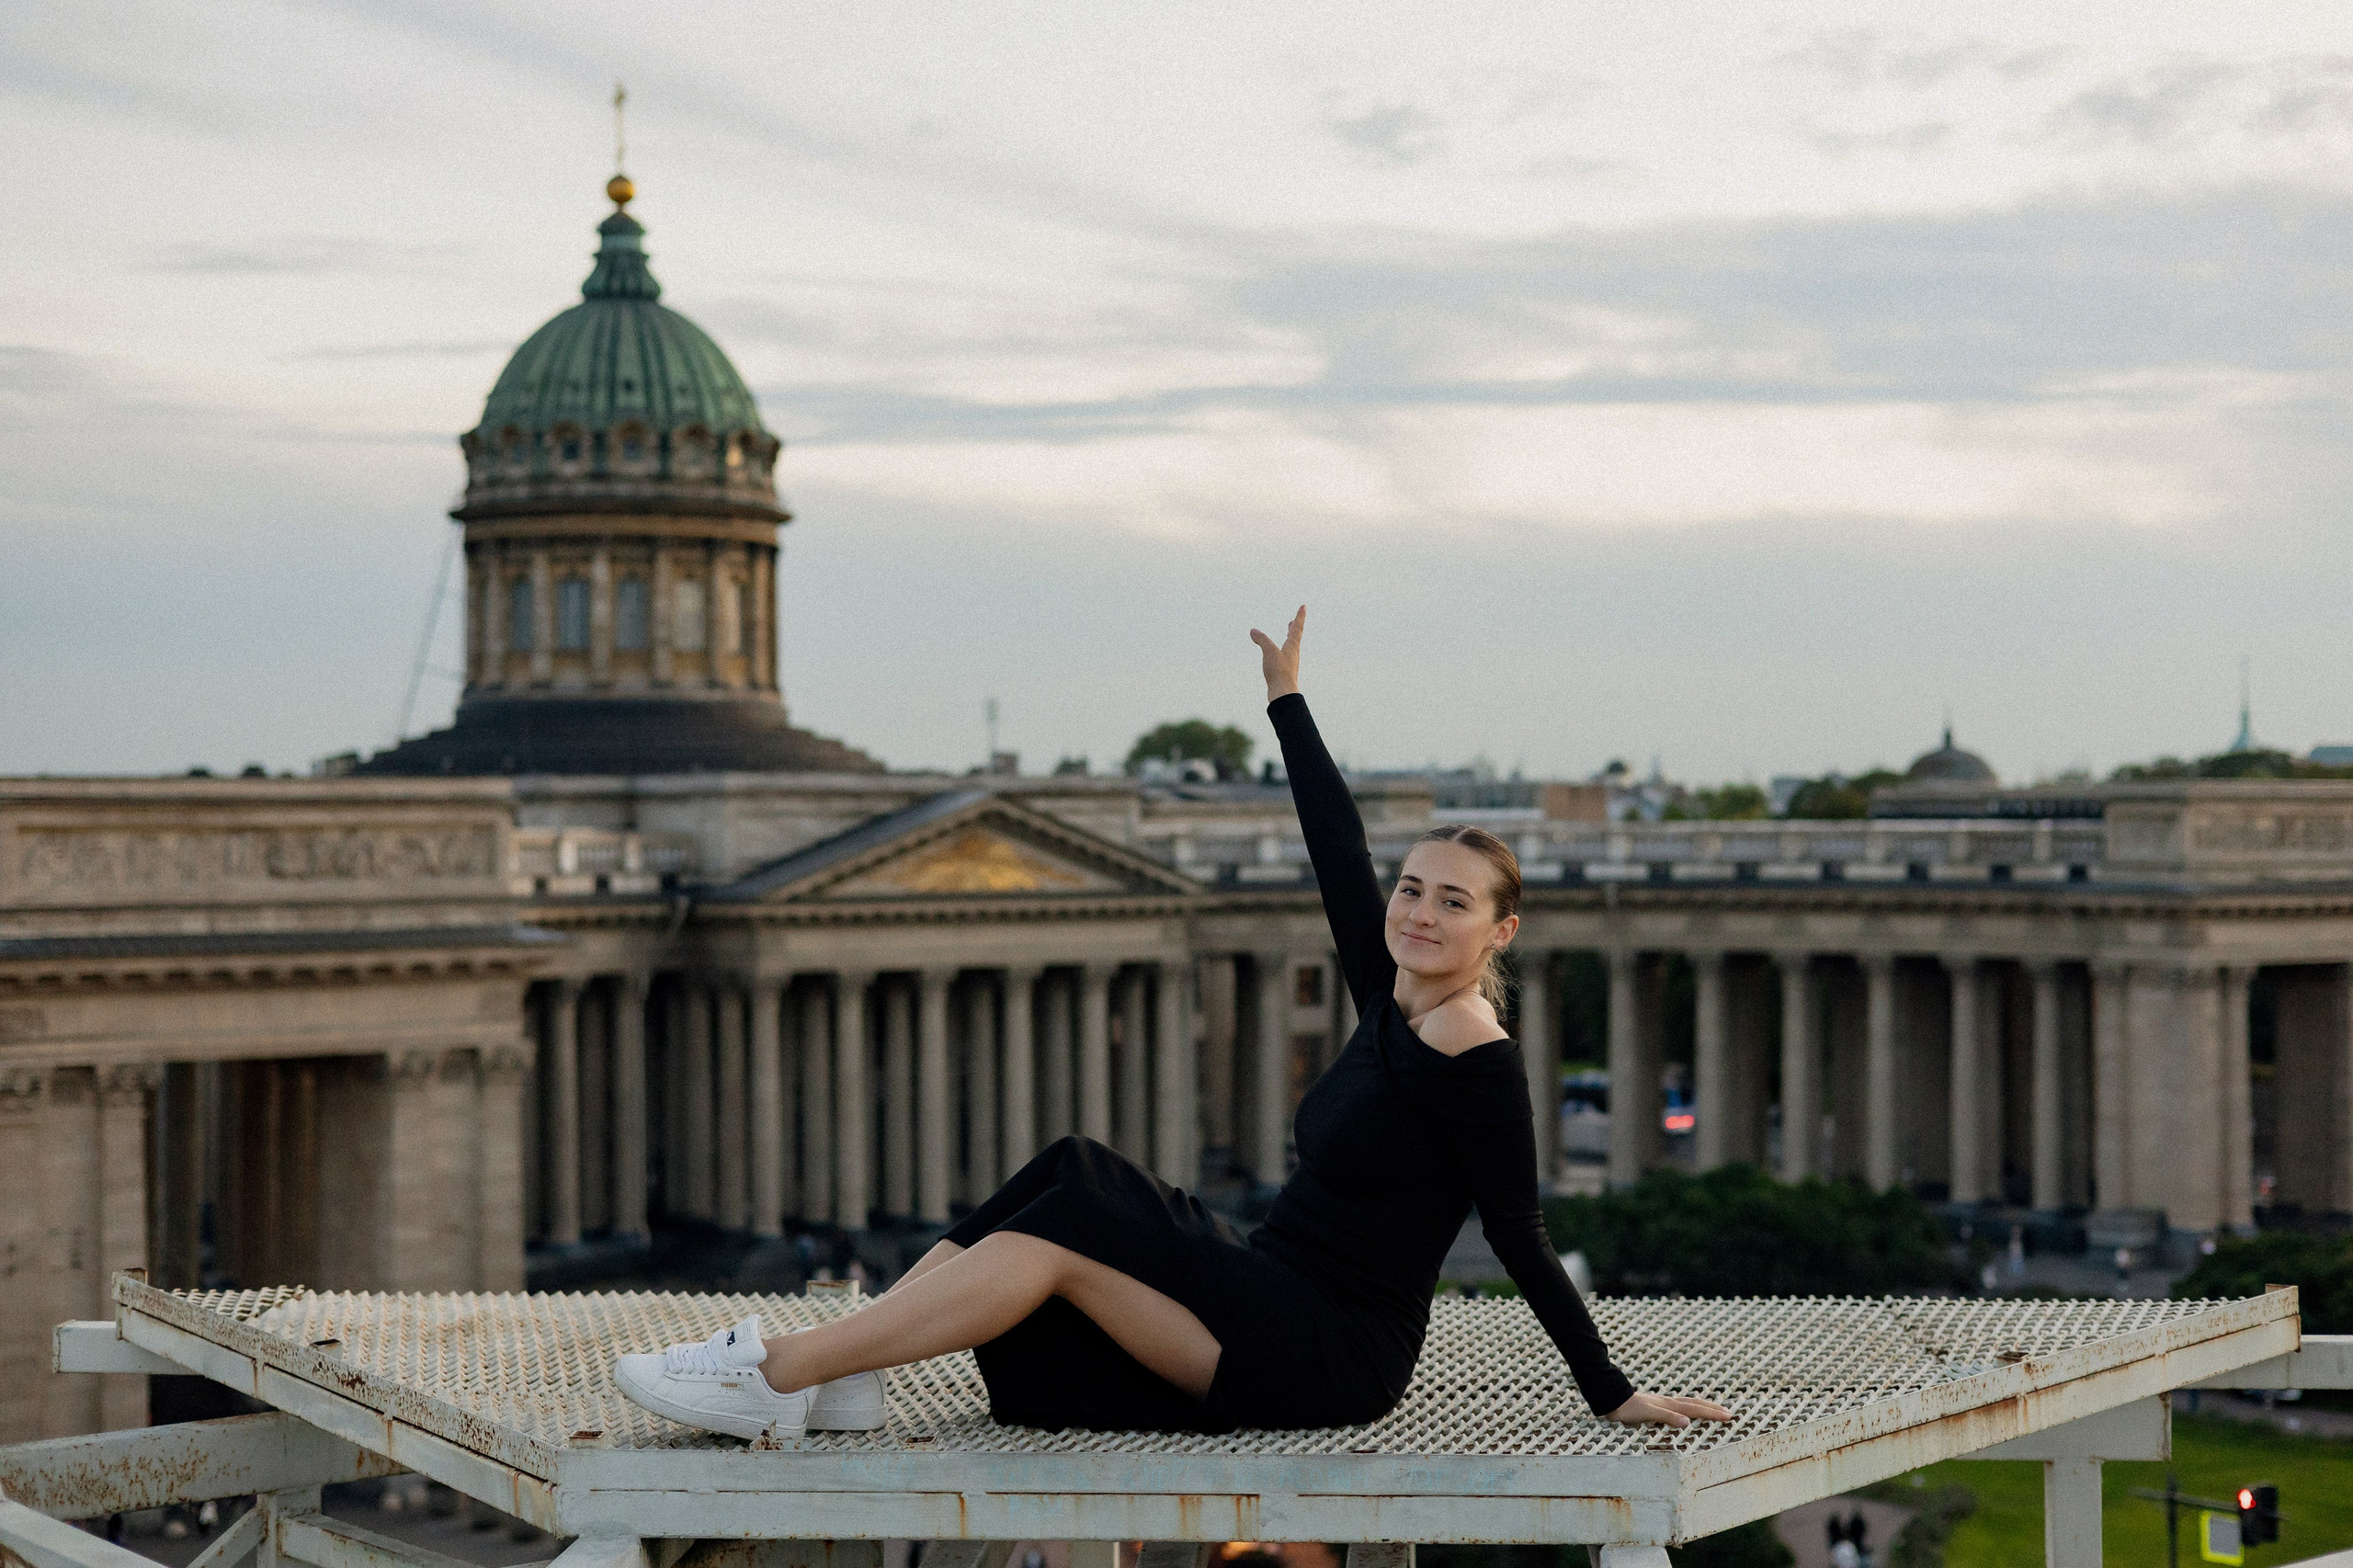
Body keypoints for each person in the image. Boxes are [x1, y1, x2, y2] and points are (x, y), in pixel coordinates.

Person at [614, 607, 1734, 1441]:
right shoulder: (1388, 991)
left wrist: (1612, 1390)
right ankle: (846, 1374)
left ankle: (775, 1373)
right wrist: (1286, 701)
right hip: (1265, 1287)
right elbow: (1337, 850)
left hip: (1328, 1348)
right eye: (1413, 889)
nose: (1420, 911)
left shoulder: (1477, 1058)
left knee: (1084, 1204)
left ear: (1502, 933)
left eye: (1454, 901)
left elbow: (1523, 1236)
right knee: (1071, 1165)